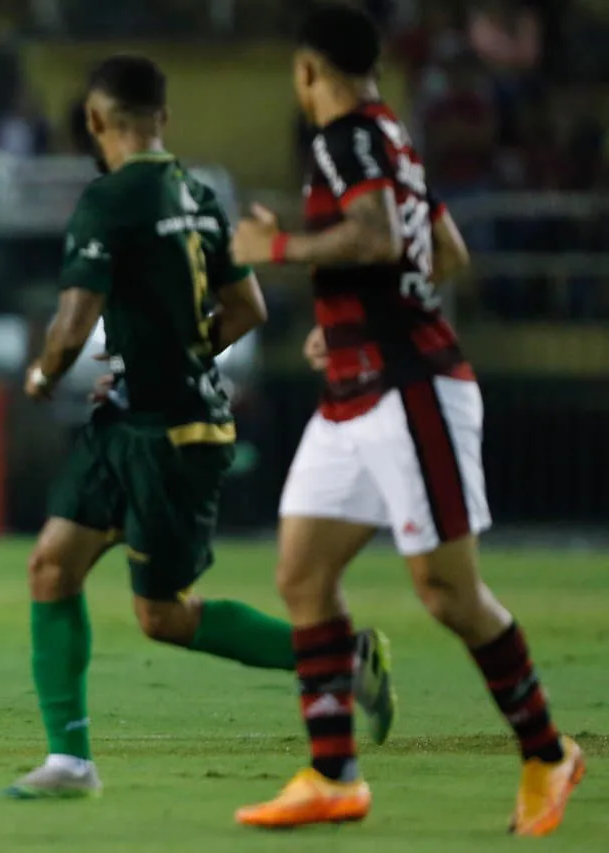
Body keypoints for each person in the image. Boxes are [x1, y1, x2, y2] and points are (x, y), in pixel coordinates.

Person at [0, 55, 394, 801]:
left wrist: (45, 375)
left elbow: (74, 325)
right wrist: (174, 353)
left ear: (95, 123)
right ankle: (70, 762)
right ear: (162, 121)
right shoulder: (200, 195)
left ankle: (339, 653)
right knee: (51, 566)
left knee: (164, 615)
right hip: (137, 419)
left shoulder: (106, 201)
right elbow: (248, 311)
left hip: (169, 434)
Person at [230, 4, 583, 834]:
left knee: (449, 591)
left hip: (407, 387)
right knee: (303, 572)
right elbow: (443, 252)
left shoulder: (343, 138)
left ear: (308, 70)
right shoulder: (394, 137)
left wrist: (277, 252)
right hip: (359, 385)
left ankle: (545, 751)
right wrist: (351, 315)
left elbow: (379, 233)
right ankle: (333, 773)